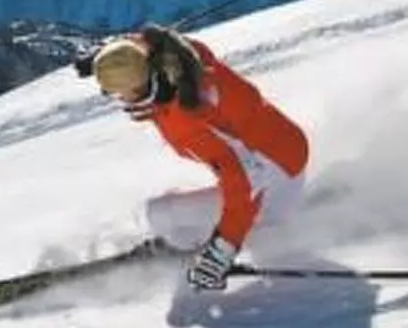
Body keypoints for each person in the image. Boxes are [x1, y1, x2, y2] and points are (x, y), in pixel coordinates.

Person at [75, 24, 309, 291]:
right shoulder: (178, 59)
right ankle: (190, 236)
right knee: (167, 211)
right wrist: (109, 58)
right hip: (282, 148)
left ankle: (191, 245)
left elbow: (245, 181)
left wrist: (224, 249)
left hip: (274, 179)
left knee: (160, 213)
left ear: (140, 86)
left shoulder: (191, 114)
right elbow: (148, 45)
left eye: (119, 93)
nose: (120, 100)